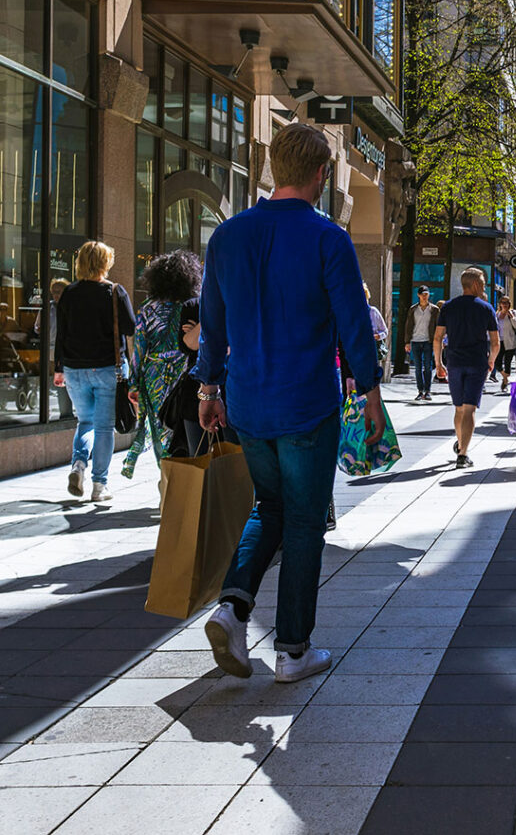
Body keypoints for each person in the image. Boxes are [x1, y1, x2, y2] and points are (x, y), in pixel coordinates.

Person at [195, 123, 385, 684]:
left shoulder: (227, 236)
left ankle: (232, 607)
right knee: (304, 520)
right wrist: (371, 394)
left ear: (275, 167)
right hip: (308, 401)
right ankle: (293, 650)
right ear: (322, 176)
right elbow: (354, 324)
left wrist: (209, 390)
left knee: (269, 507)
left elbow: (212, 325)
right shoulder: (328, 239)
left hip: (248, 399)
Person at [54, 241, 135, 502]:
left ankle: (79, 465)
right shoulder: (114, 292)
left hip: (74, 369)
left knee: (84, 421)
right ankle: (99, 487)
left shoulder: (69, 293)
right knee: (103, 428)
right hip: (108, 369)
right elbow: (131, 328)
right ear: (105, 263)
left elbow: (61, 335)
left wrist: (59, 368)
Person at [121, 251, 203, 479]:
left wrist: (134, 383)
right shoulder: (192, 307)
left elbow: (138, 349)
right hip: (184, 372)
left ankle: (167, 481)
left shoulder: (147, 308)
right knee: (180, 429)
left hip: (154, 375)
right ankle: (181, 481)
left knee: (160, 429)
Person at [434, 267, 499, 469]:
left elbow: (437, 338)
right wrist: (492, 360)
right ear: (476, 285)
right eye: (483, 283)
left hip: (454, 362)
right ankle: (462, 454)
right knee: (470, 408)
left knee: (459, 408)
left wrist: (438, 362)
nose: (484, 287)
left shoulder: (448, 307)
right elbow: (495, 342)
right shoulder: (486, 308)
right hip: (477, 362)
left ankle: (461, 442)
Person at [35, 279, 73, 419]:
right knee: (53, 381)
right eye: (53, 292)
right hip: (50, 350)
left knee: (65, 382)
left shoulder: (72, 308)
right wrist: (39, 329)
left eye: (58, 292)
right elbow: (37, 327)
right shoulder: (46, 309)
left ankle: (67, 412)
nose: (55, 295)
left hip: (67, 352)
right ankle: (49, 411)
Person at [404, 285, 440, 401]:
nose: (425, 297)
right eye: (423, 294)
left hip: (428, 341)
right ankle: (420, 391)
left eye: (427, 294)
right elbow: (408, 326)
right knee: (418, 368)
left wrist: (439, 340)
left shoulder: (434, 310)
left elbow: (438, 326)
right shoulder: (413, 309)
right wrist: (407, 342)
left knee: (428, 367)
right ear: (418, 295)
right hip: (415, 340)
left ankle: (428, 391)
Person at [493, 296, 516, 391]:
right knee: (497, 362)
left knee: (507, 363)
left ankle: (505, 381)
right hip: (500, 341)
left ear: (509, 304)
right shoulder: (497, 315)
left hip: (510, 342)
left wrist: (511, 317)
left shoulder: (513, 313)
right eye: (503, 302)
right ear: (500, 304)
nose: (504, 304)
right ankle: (505, 378)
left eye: (506, 302)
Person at [365, 283, 388, 365]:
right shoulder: (353, 313)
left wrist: (378, 336)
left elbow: (385, 331)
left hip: (373, 348)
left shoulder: (373, 311)